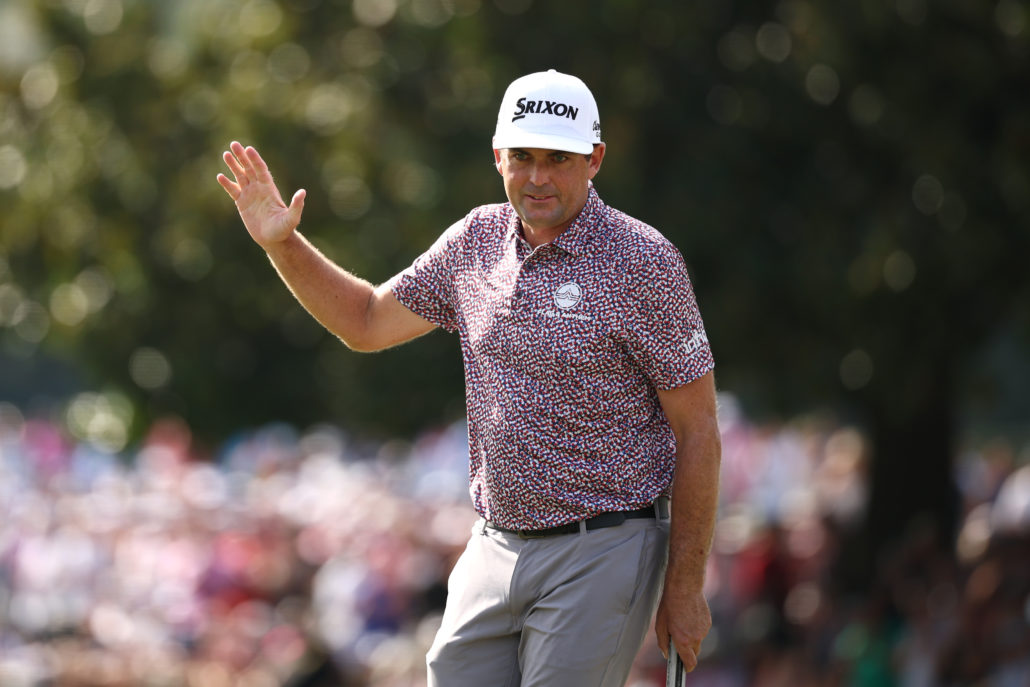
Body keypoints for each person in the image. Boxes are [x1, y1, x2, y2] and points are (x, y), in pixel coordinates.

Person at [217, 69, 721, 687]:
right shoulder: (475, 242)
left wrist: (685, 587)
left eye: (558, 159)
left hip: (605, 544)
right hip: (495, 544)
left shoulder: (643, 261)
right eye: (522, 157)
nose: (537, 177)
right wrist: (283, 246)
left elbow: (698, 430)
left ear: (595, 159)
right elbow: (367, 321)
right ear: (497, 156)